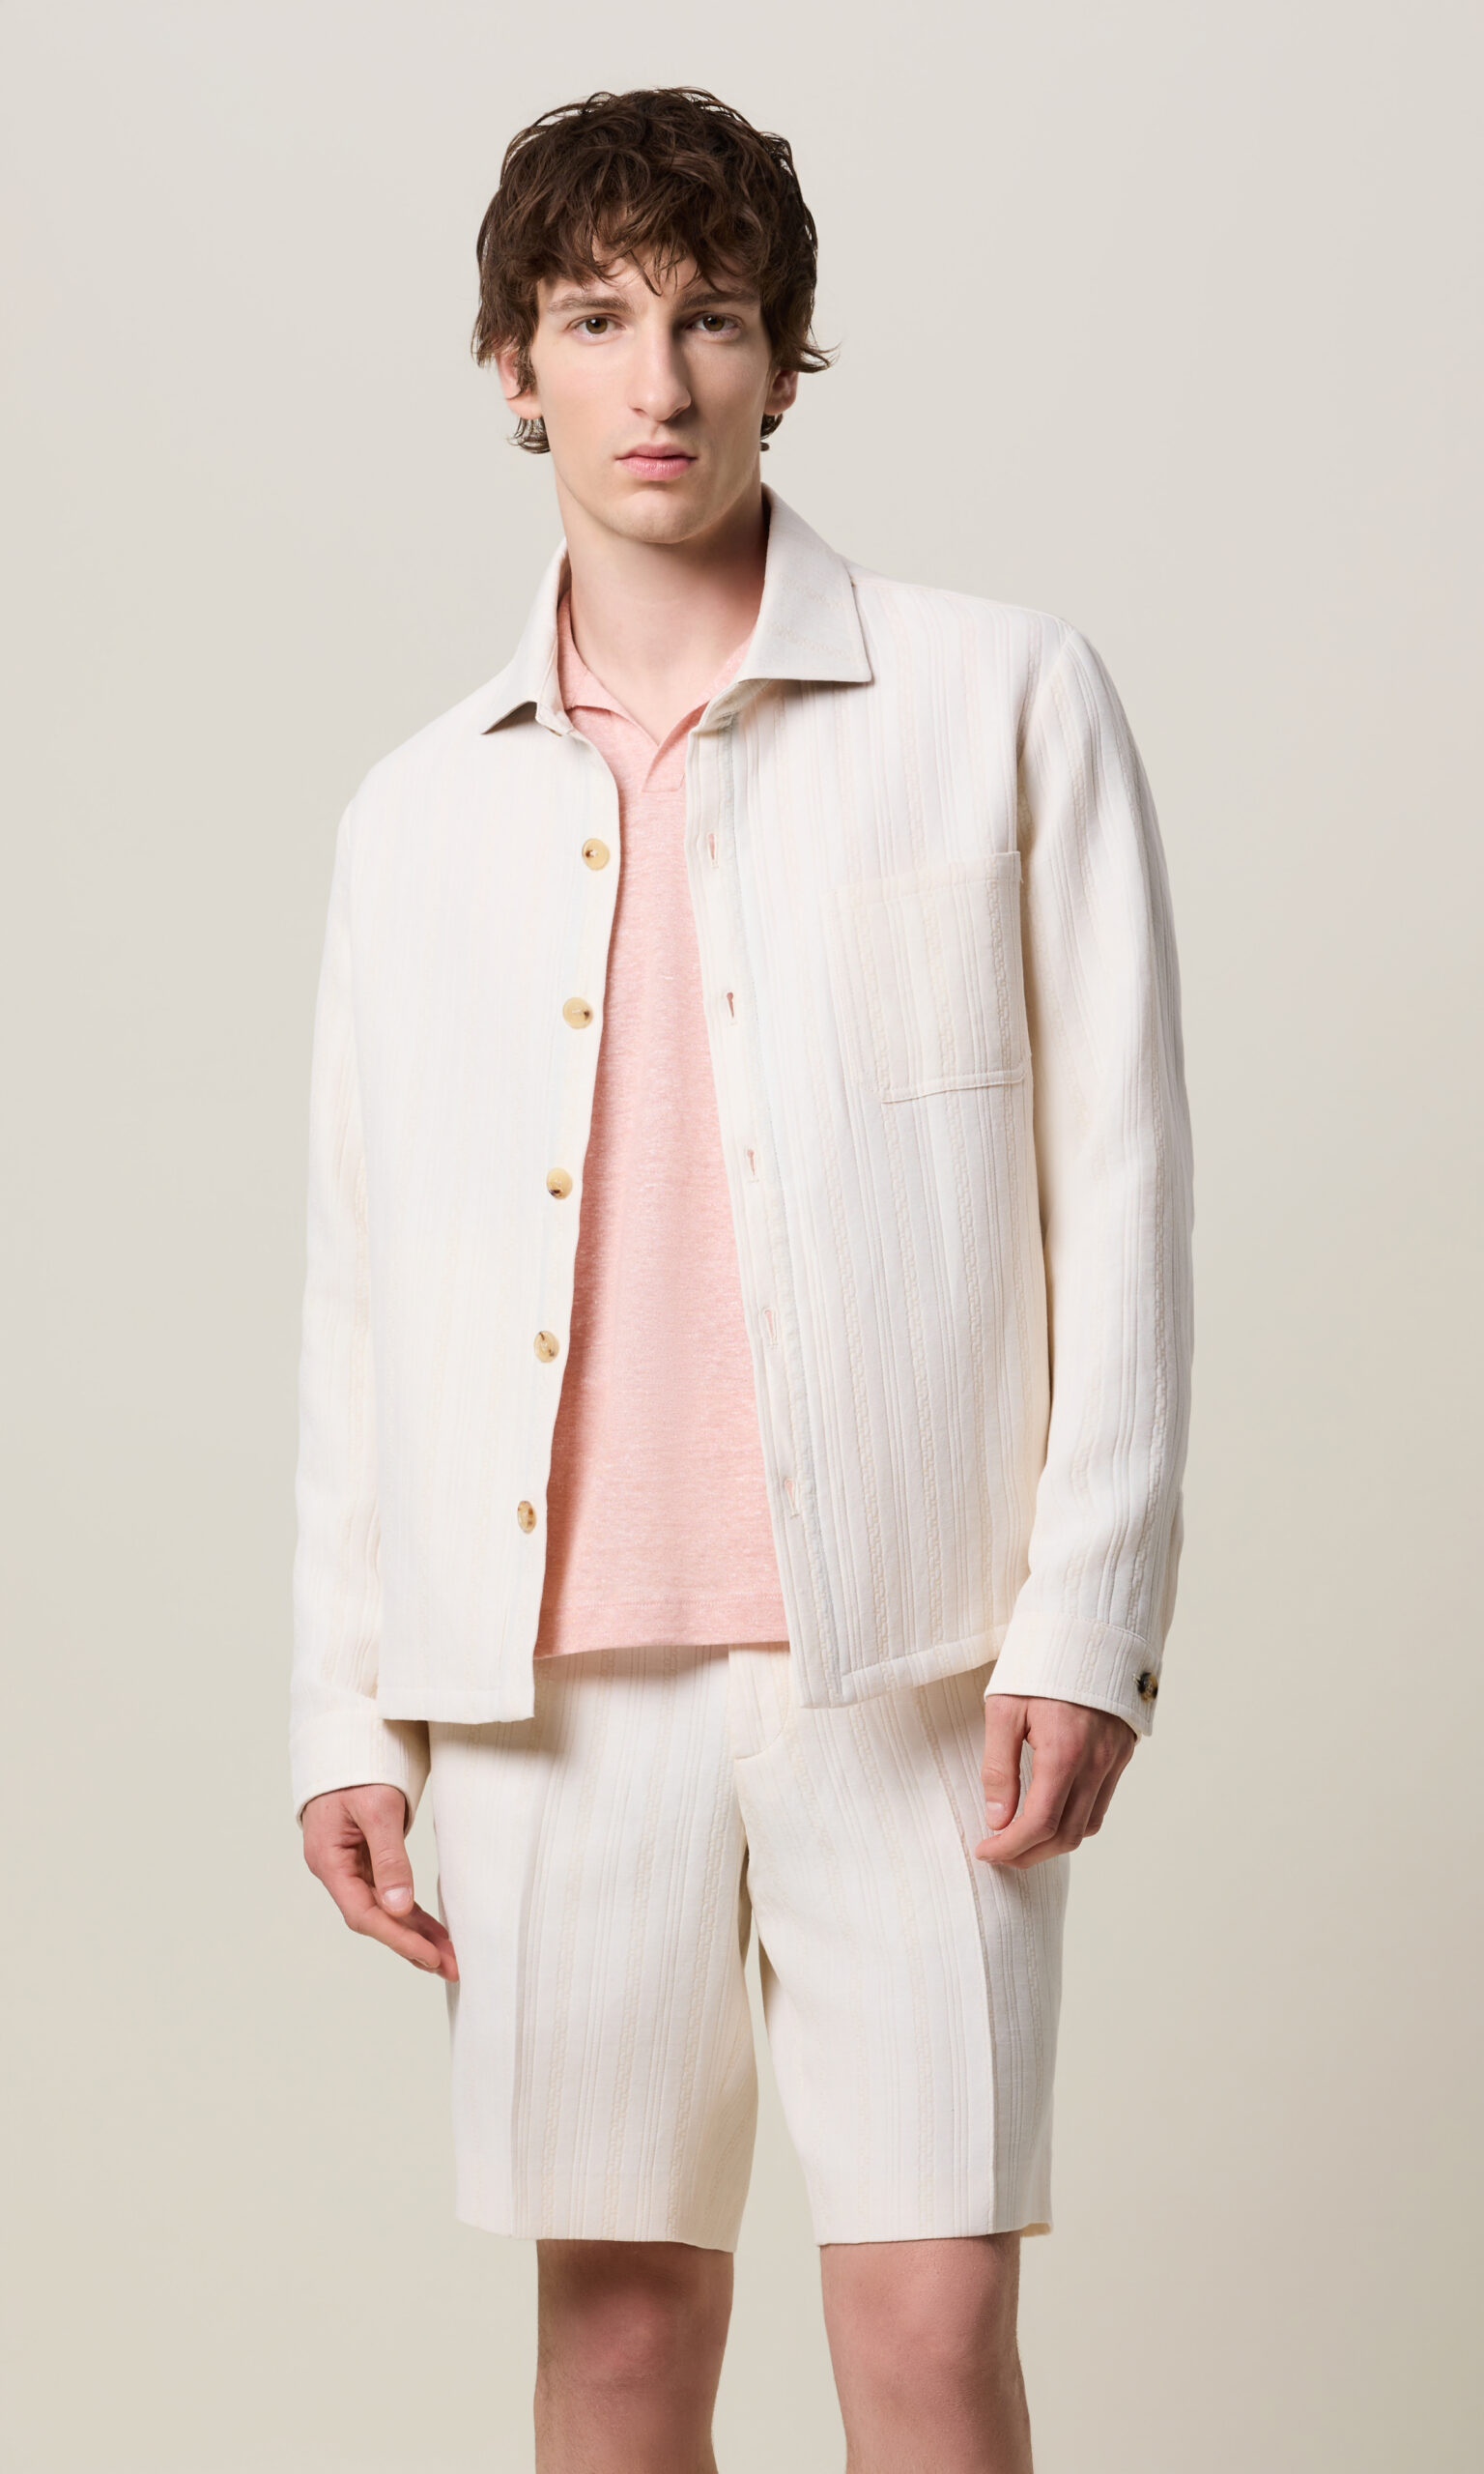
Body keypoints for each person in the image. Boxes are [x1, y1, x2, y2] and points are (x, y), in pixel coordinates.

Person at [290, 85, 1194, 2474]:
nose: (659, 379)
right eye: (596, 319)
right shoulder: (414, 815)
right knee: (611, 2345)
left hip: (918, 1672)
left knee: (928, 2334)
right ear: (512, 363)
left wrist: (1087, 1620)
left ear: (785, 357)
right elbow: (367, 1283)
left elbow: (1122, 1187)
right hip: (544, 1689)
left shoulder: (1005, 700)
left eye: (710, 318)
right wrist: (340, 1708)